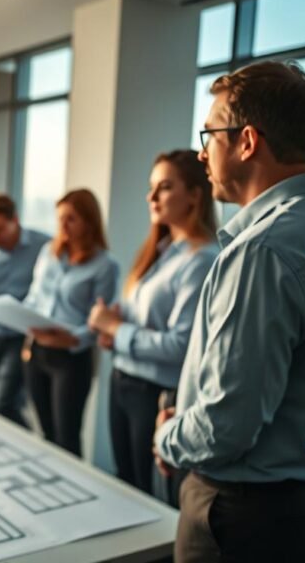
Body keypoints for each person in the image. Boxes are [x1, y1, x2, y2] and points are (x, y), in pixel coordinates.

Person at [152, 61, 305, 563]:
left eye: (209, 134)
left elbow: (226, 425)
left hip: (241, 515)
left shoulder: (265, 250)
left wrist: (169, 437)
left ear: (247, 141)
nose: (201, 150)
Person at [88, 150, 217, 502]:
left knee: (151, 500)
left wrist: (117, 330)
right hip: (124, 380)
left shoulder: (201, 259)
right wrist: (113, 329)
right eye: (151, 187)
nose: (151, 197)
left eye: (164, 187)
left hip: (155, 393)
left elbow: (181, 346)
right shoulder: (162, 251)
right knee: (126, 485)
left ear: (194, 194)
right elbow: (146, 325)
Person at [24, 189, 118, 457]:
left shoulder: (105, 265)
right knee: (45, 433)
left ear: (89, 222)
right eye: (60, 219)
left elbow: (101, 319)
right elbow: (34, 297)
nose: (62, 226)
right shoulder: (48, 253)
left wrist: (73, 338)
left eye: (71, 219)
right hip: (37, 351)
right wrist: (23, 319)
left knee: (66, 438)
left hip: (70, 359)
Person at [0, 193, 50, 427]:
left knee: (3, 403)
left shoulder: (42, 246)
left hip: (21, 336)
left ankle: (27, 444)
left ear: (15, 219)